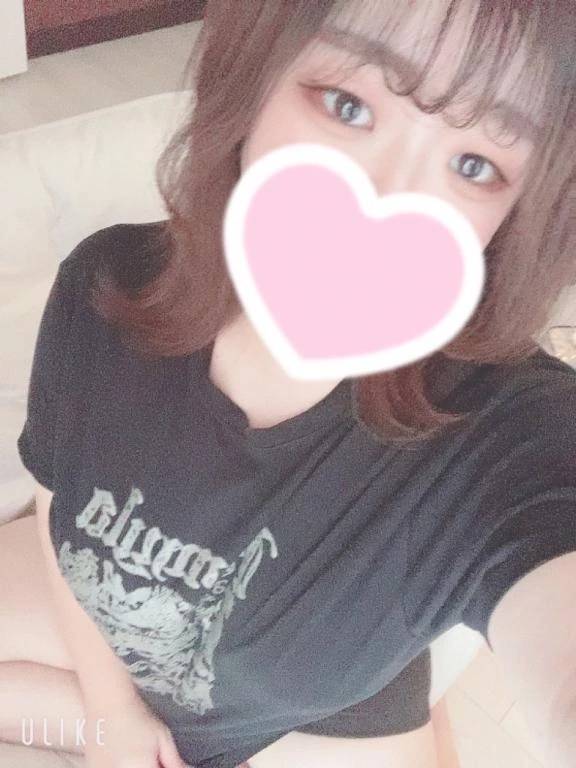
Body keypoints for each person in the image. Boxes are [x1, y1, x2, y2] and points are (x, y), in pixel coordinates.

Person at [4, 1, 576, 767]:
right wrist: (109, 716)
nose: (387, 198)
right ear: (254, 80)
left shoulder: (502, 433)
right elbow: (58, 486)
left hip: (321, 707)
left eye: (475, 166)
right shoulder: (105, 291)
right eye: (348, 104)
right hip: (153, 651)